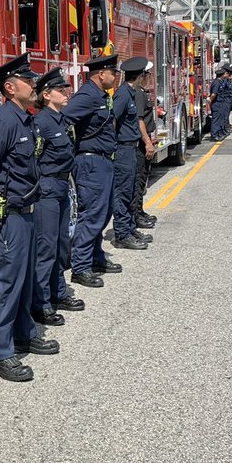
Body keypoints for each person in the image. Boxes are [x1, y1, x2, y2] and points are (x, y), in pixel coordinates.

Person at [0, 54, 59, 385]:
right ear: (10, 86)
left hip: (25, 212)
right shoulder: (4, 121)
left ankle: (23, 334)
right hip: (6, 216)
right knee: (5, 282)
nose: (35, 84)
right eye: (28, 80)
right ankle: (0, 354)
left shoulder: (26, 119)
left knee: (24, 278)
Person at [28, 68, 85, 326]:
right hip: (47, 190)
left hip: (62, 188)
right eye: (61, 90)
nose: (66, 93)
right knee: (46, 247)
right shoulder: (40, 123)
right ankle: (41, 304)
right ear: (47, 95)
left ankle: (58, 293)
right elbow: (34, 160)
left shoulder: (60, 120)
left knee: (62, 244)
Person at [63, 53, 123, 288]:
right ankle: (80, 267)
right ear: (101, 74)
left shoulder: (100, 95)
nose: (116, 77)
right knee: (91, 215)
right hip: (90, 163)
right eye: (113, 73)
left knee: (104, 212)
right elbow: (63, 120)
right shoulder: (87, 96)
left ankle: (96, 257)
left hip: (103, 162)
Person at [109, 56, 150, 252]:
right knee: (123, 193)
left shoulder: (131, 92)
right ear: (140, 75)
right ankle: (122, 234)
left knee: (132, 190)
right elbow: (112, 121)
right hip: (123, 149)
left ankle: (130, 228)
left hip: (131, 148)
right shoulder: (123, 94)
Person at [129, 58, 159, 230]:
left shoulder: (140, 91)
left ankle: (139, 211)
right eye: (146, 74)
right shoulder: (139, 94)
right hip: (140, 145)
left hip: (144, 140)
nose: (148, 77)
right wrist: (147, 142)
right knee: (139, 180)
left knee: (142, 179)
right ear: (142, 75)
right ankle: (136, 215)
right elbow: (139, 120)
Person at [207, 65, 232, 141]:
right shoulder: (216, 82)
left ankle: (219, 132)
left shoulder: (220, 82)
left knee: (220, 119)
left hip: (221, 103)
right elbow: (213, 94)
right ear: (222, 75)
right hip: (217, 103)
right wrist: (210, 101)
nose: (227, 75)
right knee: (216, 120)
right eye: (226, 74)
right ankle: (214, 135)